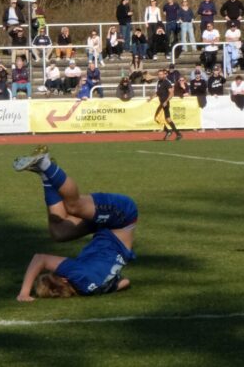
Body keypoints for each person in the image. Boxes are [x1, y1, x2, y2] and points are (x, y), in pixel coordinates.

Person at [12, 146, 136, 300]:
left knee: (59, 233)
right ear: (63, 278)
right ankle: (45, 164)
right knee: (74, 206)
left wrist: (109, 282)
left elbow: (125, 282)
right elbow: (40, 259)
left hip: (110, 228)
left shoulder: (92, 290)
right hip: (122, 215)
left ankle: (45, 176)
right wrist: (24, 293)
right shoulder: (75, 274)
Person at [148, 68, 182, 140]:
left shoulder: (166, 82)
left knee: (158, 118)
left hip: (165, 103)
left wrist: (166, 101)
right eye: (159, 74)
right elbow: (158, 93)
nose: (160, 76)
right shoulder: (159, 82)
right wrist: (151, 97)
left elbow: (171, 93)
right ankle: (177, 133)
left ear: (164, 75)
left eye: (161, 74)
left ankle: (170, 131)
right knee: (167, 119)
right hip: (162, 103)